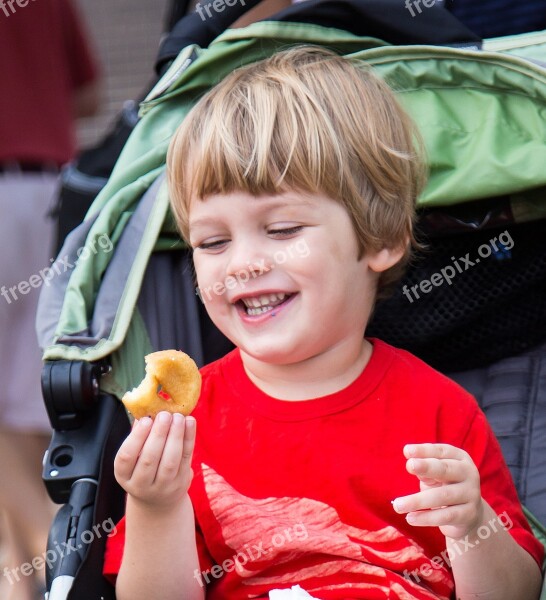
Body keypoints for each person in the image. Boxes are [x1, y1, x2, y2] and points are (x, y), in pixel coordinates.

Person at [103, 46, 543, 599]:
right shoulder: (188, 424)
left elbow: (516, 594)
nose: (242, 263)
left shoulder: (437, 410)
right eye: (212, 242)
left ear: (379, 241)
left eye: (283, 229)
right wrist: (155, 505)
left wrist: (471, 524)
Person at [0, 3, 100, 599]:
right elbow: (85, 96)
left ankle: (36, 568)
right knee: (26, 400)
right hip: (53, 199)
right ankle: (40, 566)